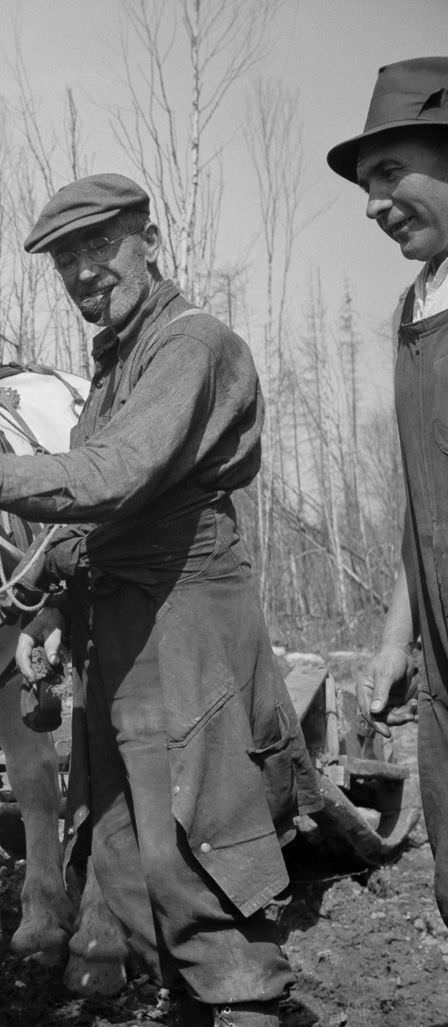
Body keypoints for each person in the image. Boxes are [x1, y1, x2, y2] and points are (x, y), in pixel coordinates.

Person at [0, 173, 316, 1027]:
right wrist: (34, 592)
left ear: (150, 241)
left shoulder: (192, 345)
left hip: (189, 619)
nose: (85, 272)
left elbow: (118, 473)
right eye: (67, 259)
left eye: (102, 249)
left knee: (204, 842)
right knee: (123, 847)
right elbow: (91, 521)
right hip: (121, 620)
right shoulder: (117, 363)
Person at [328, 58, 448, 929]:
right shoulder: (418, 302)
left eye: (388, 173)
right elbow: (426, 490)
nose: (372, 204)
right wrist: (399, 635)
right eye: (366, 184)